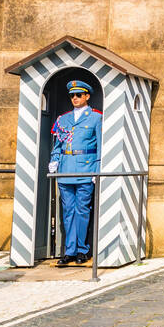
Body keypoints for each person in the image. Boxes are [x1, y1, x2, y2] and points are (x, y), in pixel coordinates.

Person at [48, 80, 103, 266]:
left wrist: (97, 170)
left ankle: (82, 250)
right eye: (72, 95)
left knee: (82, 211)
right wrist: (54, 159)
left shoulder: (96, 117)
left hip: (86, 168)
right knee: (68, 212)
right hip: (65, 169)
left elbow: (100, 146)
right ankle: (69, 251)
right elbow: (58, 144)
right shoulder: (63, 119)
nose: (75, 98)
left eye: (79, 95)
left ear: (87, 96)